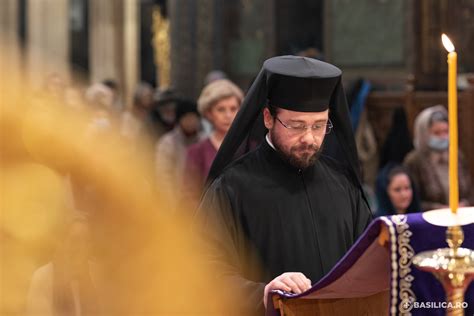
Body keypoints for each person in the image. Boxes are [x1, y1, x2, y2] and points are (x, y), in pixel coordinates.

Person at [195, 56, 372, 314]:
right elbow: (202, 270)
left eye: (319, 126)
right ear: (268, 118)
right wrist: (263, 293)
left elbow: (368, 260)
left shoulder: (343, 183)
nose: (309, 138)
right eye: (297, 126)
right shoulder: (232, 187)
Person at [181, 79, 243, 209]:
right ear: (209, 113)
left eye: (233, 109)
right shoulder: (196, 152)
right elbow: (189, 197)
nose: (228, 115)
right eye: (221, 110)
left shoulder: (251, 147)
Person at [404, 105, 473, 211]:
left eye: (446, 131)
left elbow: (470, 190)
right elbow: (411, 200)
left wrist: (464, 204)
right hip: (429, 220)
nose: (443, 137)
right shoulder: (414, 161)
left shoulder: (456, 155)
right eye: (437, 133)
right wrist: (439, 209)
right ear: (424, 134)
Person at [155, 99, 202, 210]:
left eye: (193, 117)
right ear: (179, 120)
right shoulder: (167, 143)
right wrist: (172, 206)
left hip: (199, 204)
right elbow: (163, 176)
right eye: (187, 117)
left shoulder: (203, 141)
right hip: (176, 203)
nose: (191, 121)